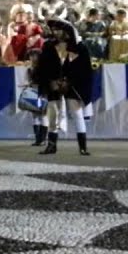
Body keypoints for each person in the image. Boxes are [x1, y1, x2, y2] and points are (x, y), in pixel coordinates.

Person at [36, 19, 94, 156]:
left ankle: (83, 147)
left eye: (58, 29)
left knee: (77, 114)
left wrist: (70, 82)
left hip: (73, 85)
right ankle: (51, 146)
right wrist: (51, 81)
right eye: (53, 29)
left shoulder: (79, 47)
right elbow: (43, 67)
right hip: (53, 84)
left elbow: (84, 69)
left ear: (66, 30)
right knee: (53, 114)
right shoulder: (48, 46)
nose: (55, 32)